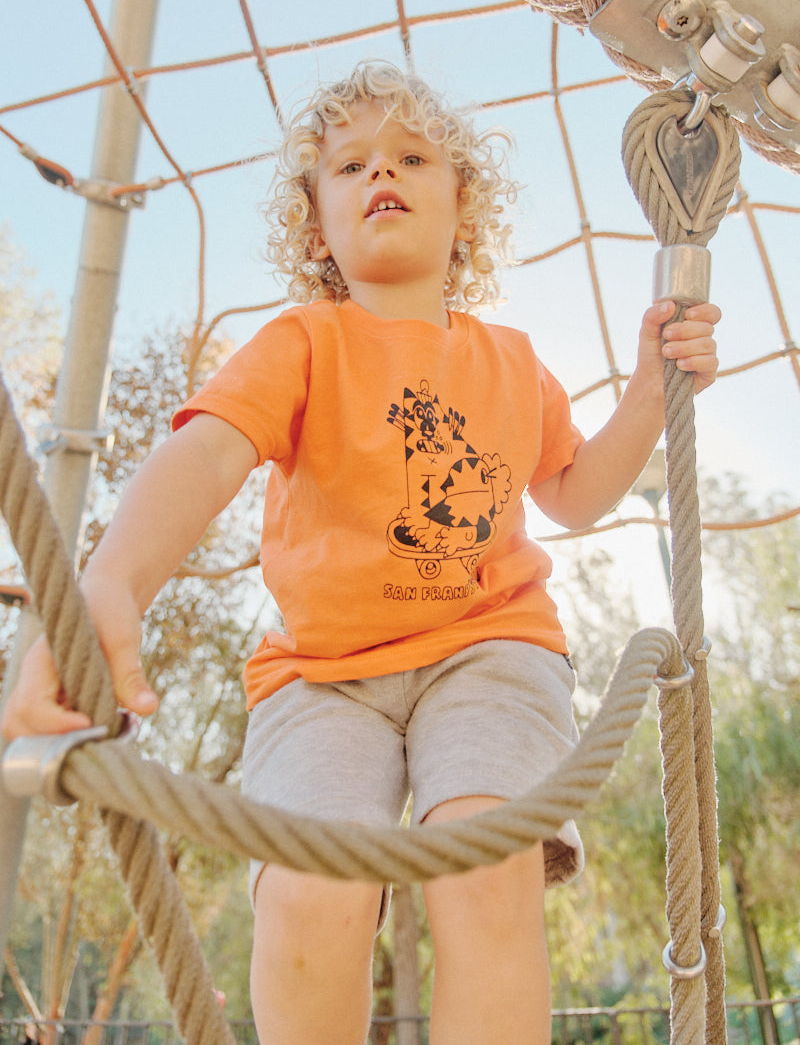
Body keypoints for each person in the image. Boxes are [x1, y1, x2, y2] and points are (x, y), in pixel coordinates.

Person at [2, 61, 721, 1045]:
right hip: (324, 675)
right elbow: (206, 454)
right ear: (315, 227)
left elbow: (575, 493)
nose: (381, 169)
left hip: (488, 647)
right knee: (308, 891)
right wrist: (111, 581)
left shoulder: (511, 360)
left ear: (462, 205)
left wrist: (649, 387)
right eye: (349, 165)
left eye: (412, 155)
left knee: (482, 863)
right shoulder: (302, 343)